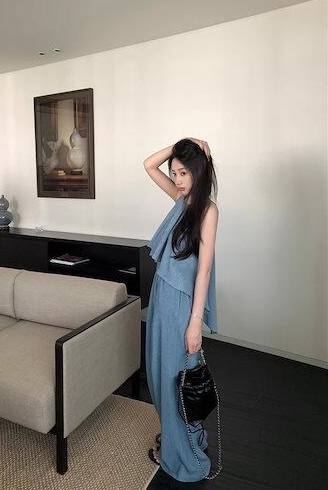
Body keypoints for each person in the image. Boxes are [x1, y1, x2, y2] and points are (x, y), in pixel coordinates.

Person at [143, 138, 219, 483]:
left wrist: (194, 323)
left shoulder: (207, 210)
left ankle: (183, 457)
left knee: (176, 378)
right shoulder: (180, 199)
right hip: (162, 296)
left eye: (184, 172)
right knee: (159, 373)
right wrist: (181, 141)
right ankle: (178, 438)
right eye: (174, 173)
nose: (178, 179)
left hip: (181, 304)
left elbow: (204, 270)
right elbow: (148, 165)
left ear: (199, 170)